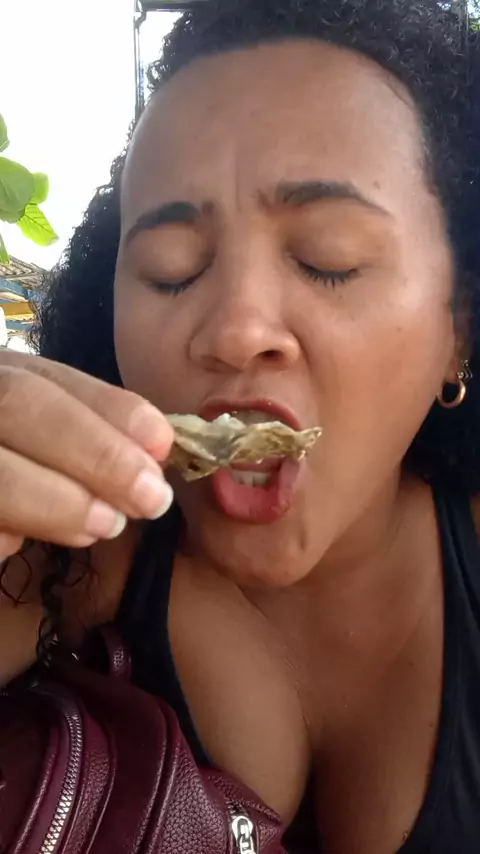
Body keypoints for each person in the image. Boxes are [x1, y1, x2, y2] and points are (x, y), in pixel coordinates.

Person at [1, 0, 480, 850]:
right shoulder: (69, 562)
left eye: (327, 259)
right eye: (171, 271)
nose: (234, 330)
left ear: (461, 328)